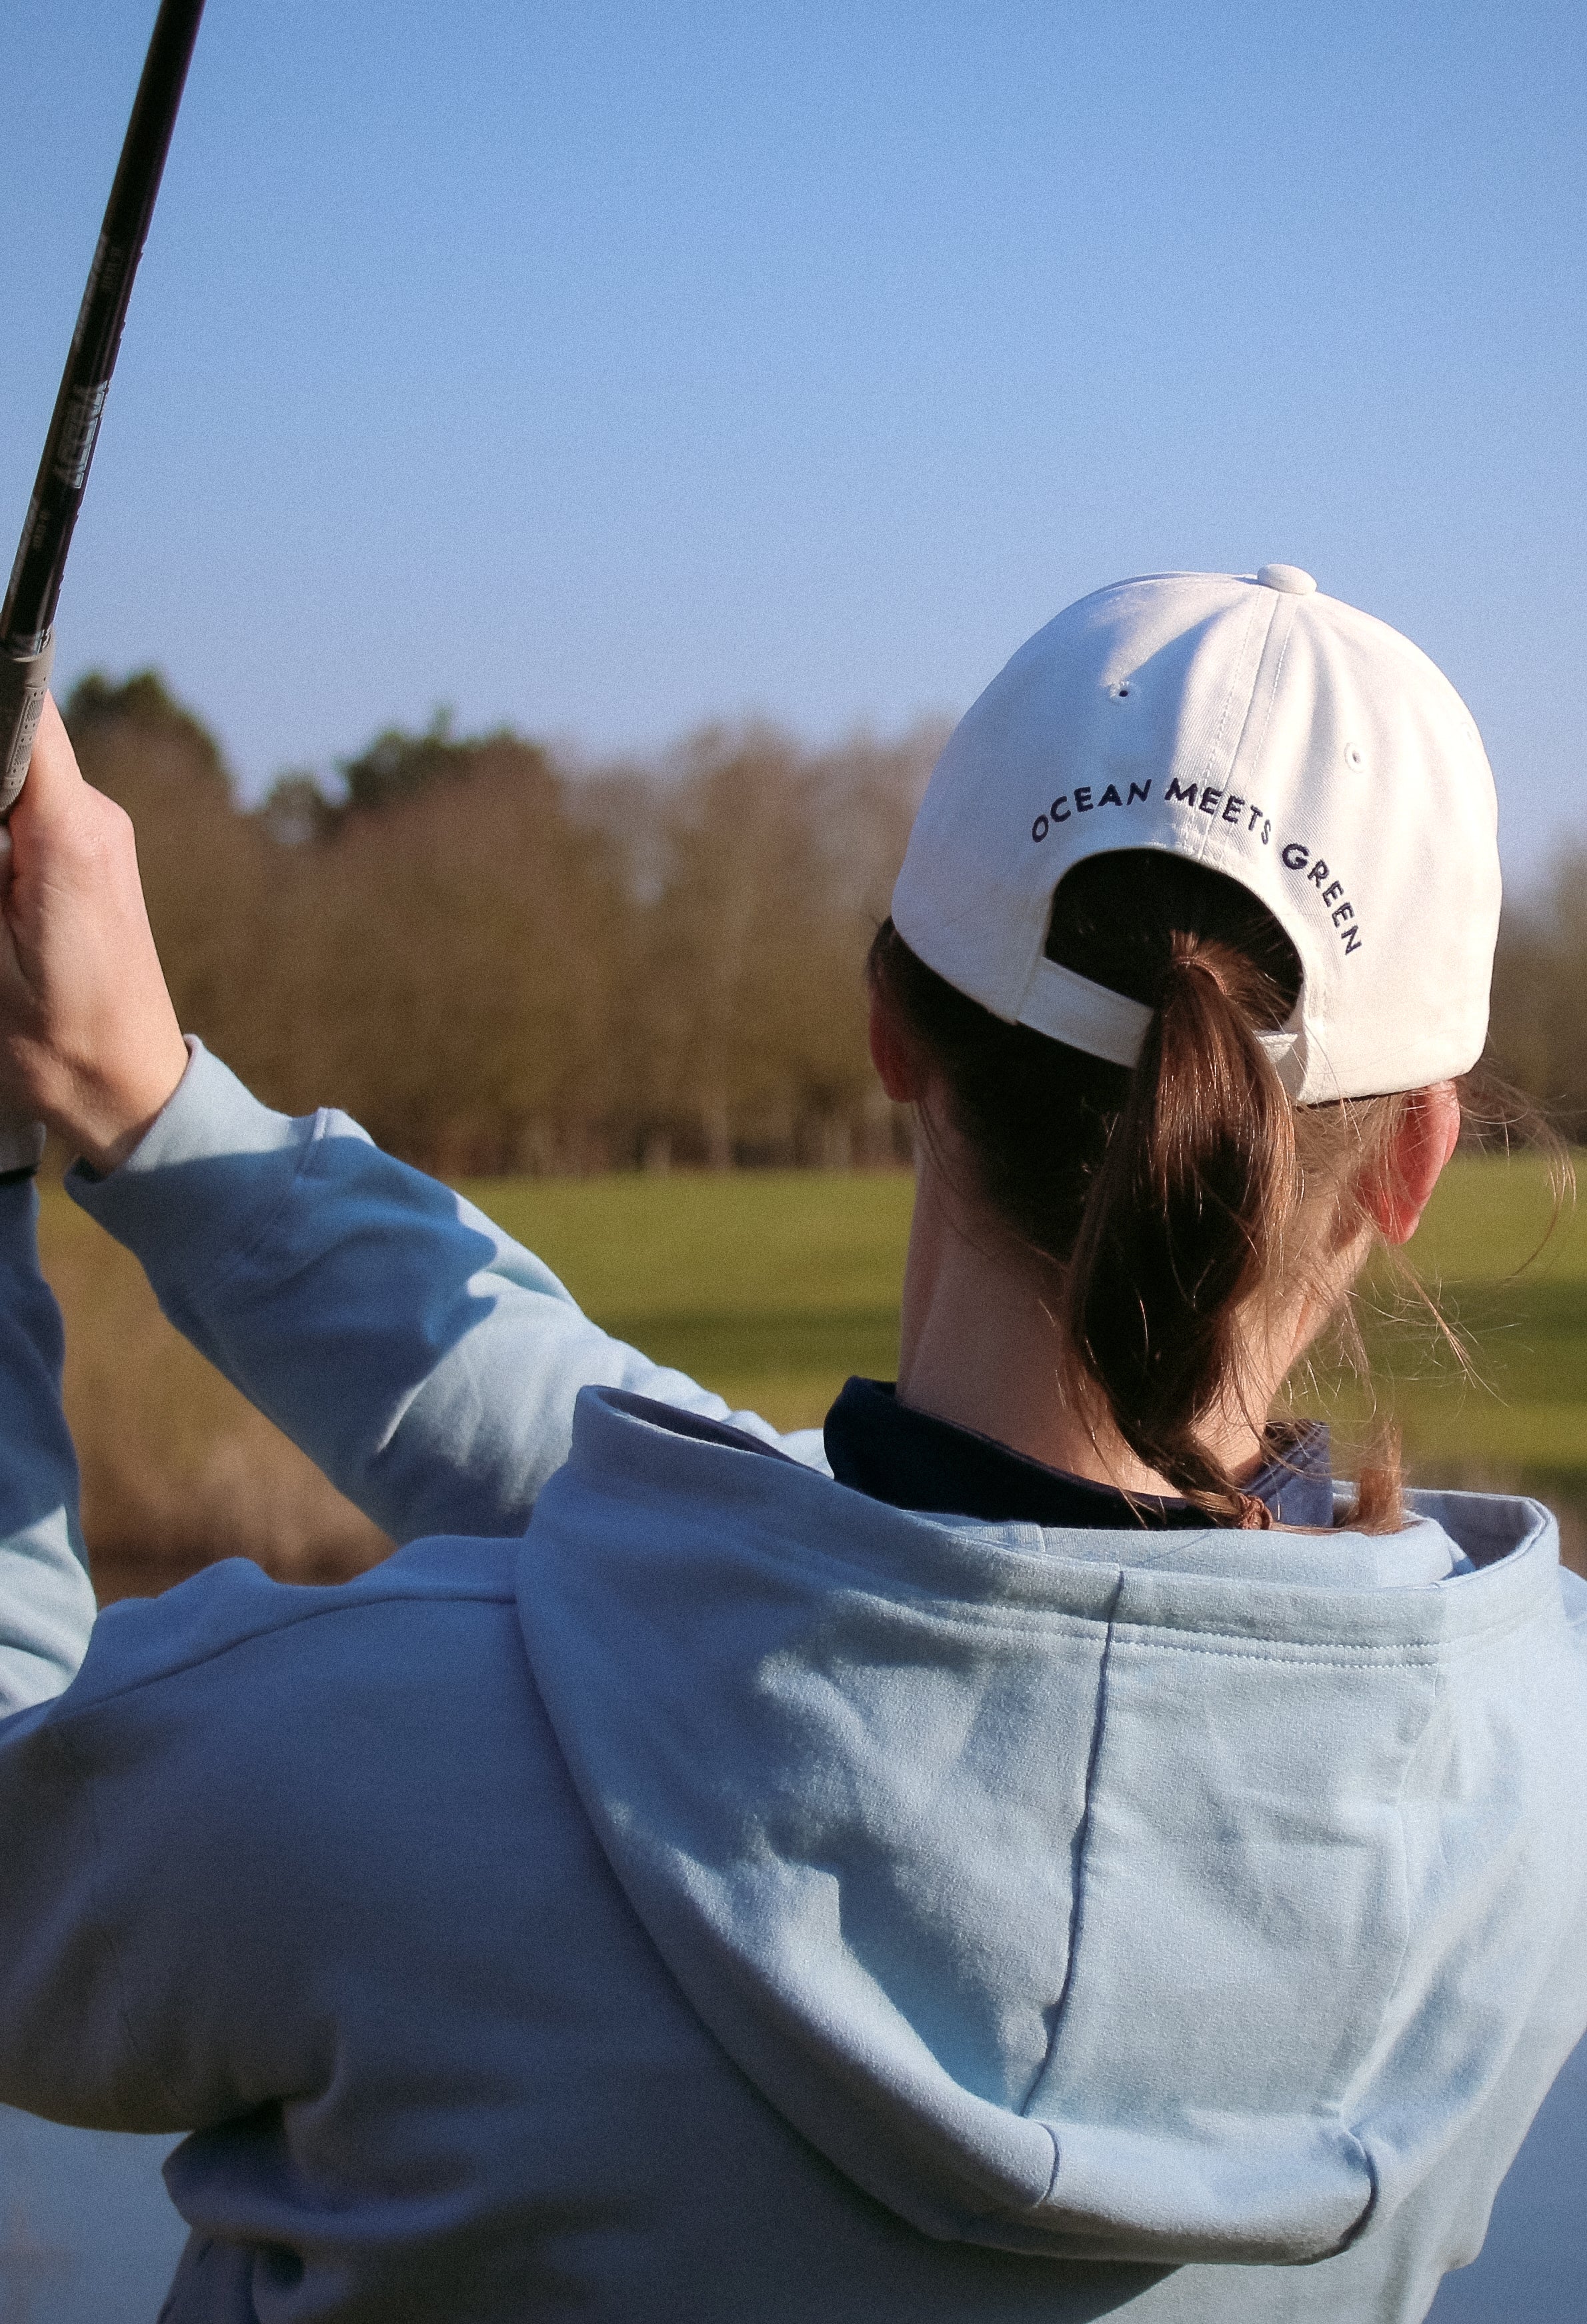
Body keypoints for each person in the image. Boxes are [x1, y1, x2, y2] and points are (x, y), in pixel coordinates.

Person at [0, 565, 1583, 2324]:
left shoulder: (347, 1768)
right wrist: (153, 1112)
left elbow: (736, 1632)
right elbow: (746, 1560)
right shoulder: (1534, 1788)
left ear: (888, 1027)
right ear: (1413, 1161)